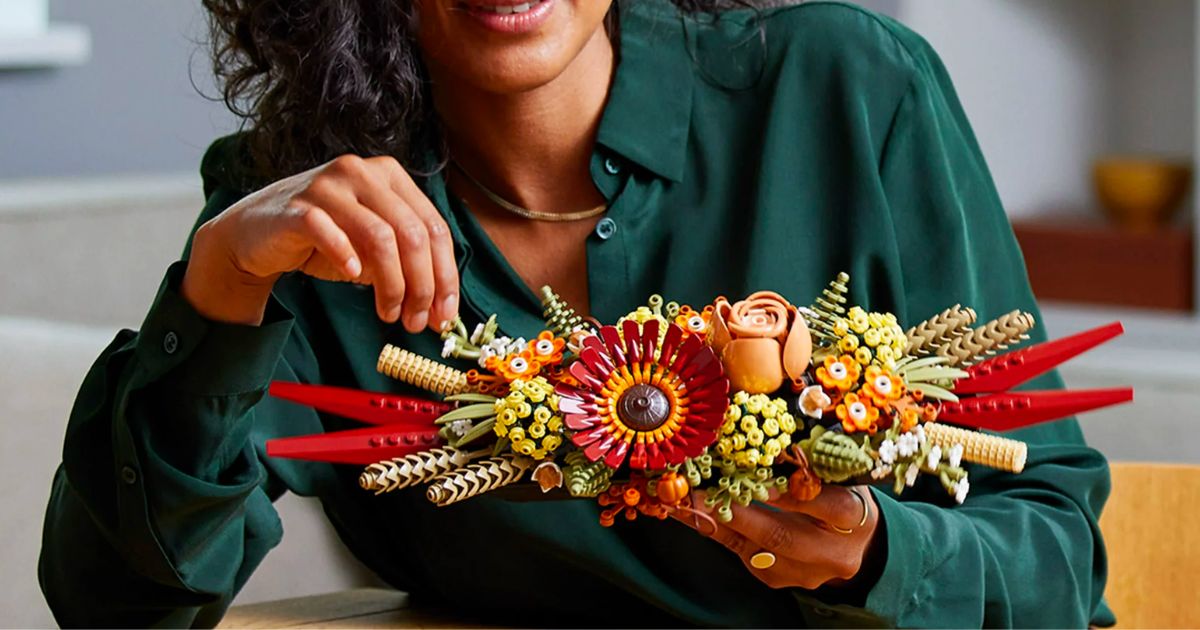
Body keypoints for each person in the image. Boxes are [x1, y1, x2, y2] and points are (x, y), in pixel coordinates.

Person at [39, 0, 1113, 626]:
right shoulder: (302, 207)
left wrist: (876, 556)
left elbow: (1061, 557)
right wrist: (221, 279)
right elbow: (118, 611)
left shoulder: (847, 89)